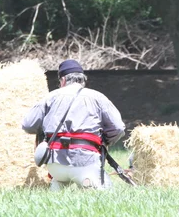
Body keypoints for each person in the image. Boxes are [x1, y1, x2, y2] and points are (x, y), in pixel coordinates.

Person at [22, 59, 125, 191]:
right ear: (83, 80)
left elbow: (27, 124)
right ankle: (88, 181)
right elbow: (118, 128)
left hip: (55, 165)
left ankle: (57, 184)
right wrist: (105, 141)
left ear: (63, 80)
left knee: (59, 179)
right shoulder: (98, 97)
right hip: (86, 161)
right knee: (105, 191)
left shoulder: (50, 97)